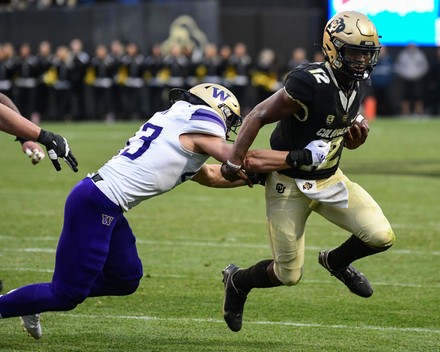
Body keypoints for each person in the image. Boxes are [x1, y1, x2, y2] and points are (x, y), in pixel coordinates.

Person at [0, 83, 287, 340]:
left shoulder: (178, 127)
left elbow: (212, 175)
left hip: (103, 202)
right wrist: (295, 161)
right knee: (65, 294)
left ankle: (33, 299)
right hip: (97, 203)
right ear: (217, 112)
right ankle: (24, 302)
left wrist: (261, 176)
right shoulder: (199, 132)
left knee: (125, 277)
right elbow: (243, 158)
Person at [220, 11, 396, 332]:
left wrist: (356, 140)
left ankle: (336, 261)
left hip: (330, 179)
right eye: (354, 51)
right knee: (288, 275)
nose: (360, 60)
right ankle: (238, 281)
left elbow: (334, 136)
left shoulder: (359, 82)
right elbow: (258, 114)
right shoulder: (309, 82)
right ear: (333, 48)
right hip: (288, 184)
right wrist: (234, 160)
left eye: (366, 53)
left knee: (381, 236)